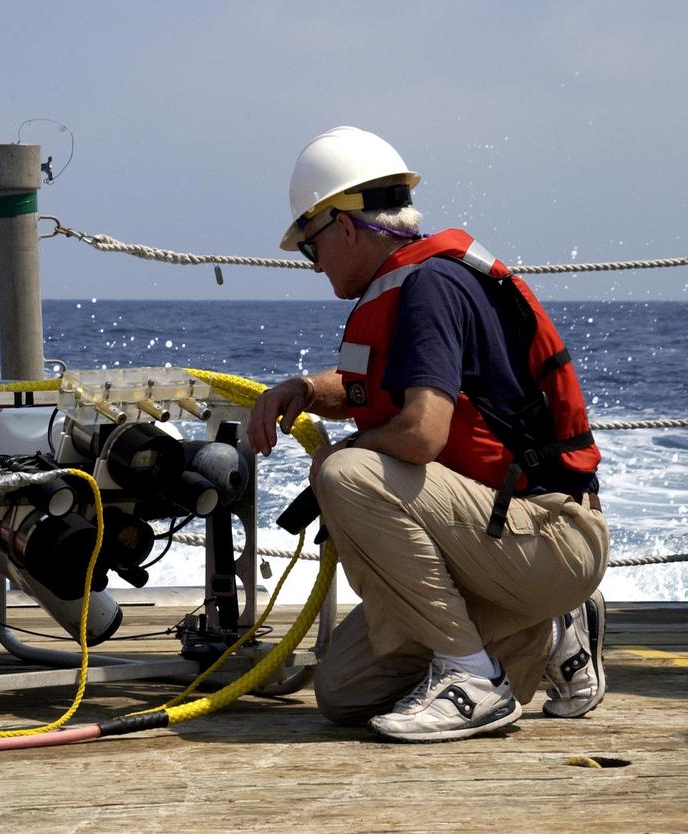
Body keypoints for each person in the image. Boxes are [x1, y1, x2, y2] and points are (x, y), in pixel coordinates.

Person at [248, 126, 609, 743]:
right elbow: (375, 389)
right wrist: (306, 391)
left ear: (344, 225)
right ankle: (544, 629)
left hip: (545, 535)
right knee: (345, 693)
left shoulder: (430, 288)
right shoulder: (412, 285)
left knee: (346, 475)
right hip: (495, 544)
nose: (315, 266)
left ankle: (471, 676)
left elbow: (420, 435)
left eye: (311, 249)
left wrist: (342, 460)